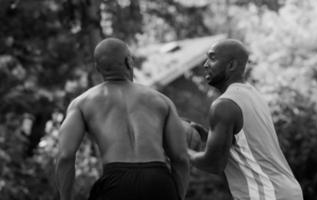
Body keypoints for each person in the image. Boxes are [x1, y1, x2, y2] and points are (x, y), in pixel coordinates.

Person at [55, 38, 190, 200]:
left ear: (98, 67)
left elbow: (65, 156)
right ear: (128, 61)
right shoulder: (162, 101)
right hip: (158, 181)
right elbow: (181, 158)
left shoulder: (82, 103)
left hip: (116, 183)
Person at [187, 39, 303, 200]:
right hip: (286, 191)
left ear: (231, 65)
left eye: (212, 58)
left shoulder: (223, 105)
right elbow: (251, 147)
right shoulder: (253, 95)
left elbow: (213, 164)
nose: (206, 64)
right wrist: (210, 139)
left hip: (267, 193)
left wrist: (181, 150)